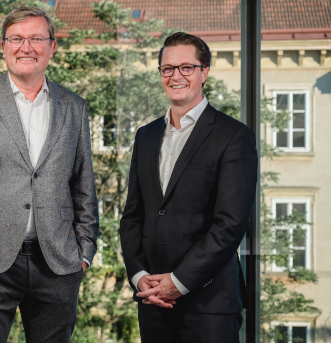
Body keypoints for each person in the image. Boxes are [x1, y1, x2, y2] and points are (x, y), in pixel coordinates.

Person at [0, 6, 98, 342]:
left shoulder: (74, 106)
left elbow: (84, 185)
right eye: (16, 39)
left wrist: (85, 251)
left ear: (52, 47)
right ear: (3, 46)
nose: (26, 47)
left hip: (57, 262)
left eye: (36, 38)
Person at [119, 32, 257, 343]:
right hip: (153, 301)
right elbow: (132, 217)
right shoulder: (146, 135)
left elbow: (230, 225)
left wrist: (179, 282)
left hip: (210, 305)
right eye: (167, 68)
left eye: (186, 67)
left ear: (204, 72)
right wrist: (140, 278)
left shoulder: (234, 136)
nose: (175, 76)